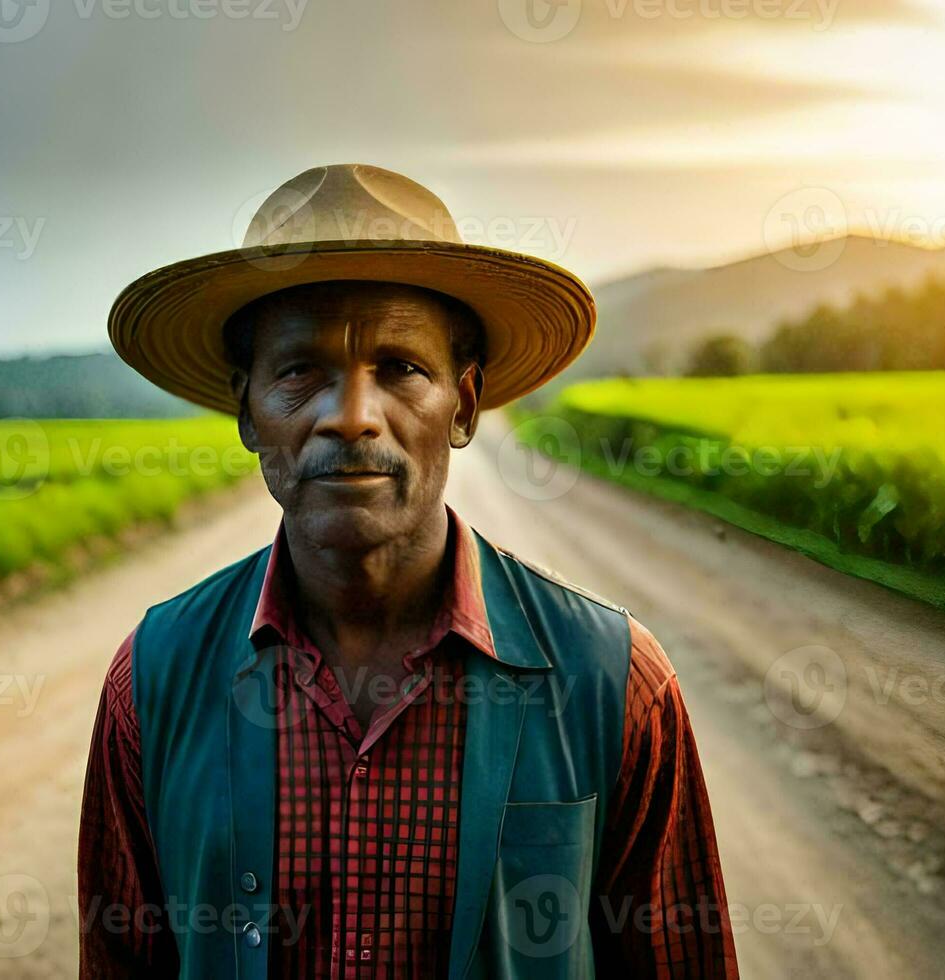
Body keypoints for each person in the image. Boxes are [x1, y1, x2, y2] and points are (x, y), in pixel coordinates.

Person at [80, 163, 737, 978]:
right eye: (298, 372)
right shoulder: (153, 679)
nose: (351, 416)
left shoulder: (616, 684)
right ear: (246, 408)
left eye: (399, 368)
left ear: (463, 405)